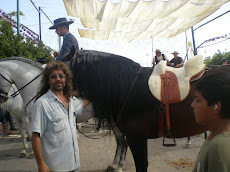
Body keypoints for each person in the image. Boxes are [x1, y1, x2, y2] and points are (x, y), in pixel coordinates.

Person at [31, 61, 90, 172]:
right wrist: (41, 164)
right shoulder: (42, 104)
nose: (58, 79)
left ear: (66, 79)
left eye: (61, 76)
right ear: (48, 80)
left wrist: (97, 94)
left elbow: (82, 104)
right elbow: (35, 137)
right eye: (53, 77)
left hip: (75, 164)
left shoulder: (71, 100)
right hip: (56, 167)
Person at [191, 72, 230, 172]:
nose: (192, 105)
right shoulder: (215, 136)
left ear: (216, 107)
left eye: (198, 100)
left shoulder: (219, 146)